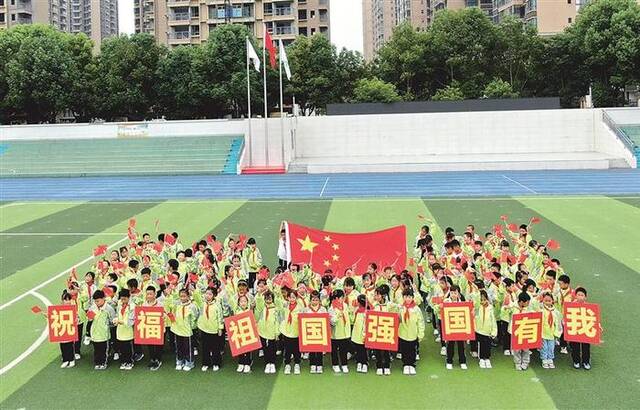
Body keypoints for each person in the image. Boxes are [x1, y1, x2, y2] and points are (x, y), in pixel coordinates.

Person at [503, 291, 533, 370]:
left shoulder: (528, 309)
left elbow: (534, 315)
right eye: (527, 302)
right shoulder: (513, 306)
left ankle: (525, 362)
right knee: (516, 349)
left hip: (525, 331)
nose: (528, 303)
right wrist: (505, 307)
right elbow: (504, 312)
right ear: (522, 302)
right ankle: (517, 362)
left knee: (526, 349)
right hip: (515, 331)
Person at [197, 287, 224, 372]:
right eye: (206, 293)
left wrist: (220, 328)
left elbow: (220, 317)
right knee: (205, 347)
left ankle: (216, 363)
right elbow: (196, 296)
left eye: (210, 294)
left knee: (215, 348)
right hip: (204, 329)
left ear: (214, 295)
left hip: (214, 329)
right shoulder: (202, 303)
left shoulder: (217, 305)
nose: (207, 296)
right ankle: (206, 363)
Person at [398, 289, 424, 375]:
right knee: (404, 349)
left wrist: (421, 333)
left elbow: (420, 322)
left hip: (413, 333)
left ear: (412, 298)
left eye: (409, 297)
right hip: (403, 333)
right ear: (403, 298)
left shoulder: (416, 309)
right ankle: (405, 364)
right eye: (406, 297)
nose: (408, 299)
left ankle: (411, 364)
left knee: (412, 350)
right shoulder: (401, 308)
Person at [88, 289, 116, 370]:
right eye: (95, 301)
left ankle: (103, 362)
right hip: (94, 333)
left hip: (104, 334)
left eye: (98, 301)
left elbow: (112, 320)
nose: (96, 303)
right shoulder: (92, 307)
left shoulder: (109, 308)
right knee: (96, 350)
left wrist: (107, 325)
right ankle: (97, 362)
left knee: (104, 350)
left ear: (103, 298)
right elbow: (89, 319)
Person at [171, 288, 198, 371]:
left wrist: (192, 327)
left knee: (188, 348)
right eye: (181, 296)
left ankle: (189, 362)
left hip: (187, 330)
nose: (182, 298)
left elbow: (194, 317)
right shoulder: (177, 305)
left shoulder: (192, 306)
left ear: (188, 296)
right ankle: (179, 361)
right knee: (179, 347)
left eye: (184, 296)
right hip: (177, 329)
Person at [256, 290, 280, 374]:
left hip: (272, 331)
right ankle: (267, 363)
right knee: (265, 348)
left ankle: (272, 363)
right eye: (266, 298)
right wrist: (259, 294)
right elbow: (258, 304)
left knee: (272, 348)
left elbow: (277, 321)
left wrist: (277, 333)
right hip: (262, 331)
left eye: (270, 298)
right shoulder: (262, 308)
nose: (268, 300)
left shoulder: (275, 309)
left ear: (273, 299)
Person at [444, 285, 467, 370]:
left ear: (459, 294)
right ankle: (449, 361)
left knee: (461, 345)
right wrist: (440, 307)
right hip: (450, 327)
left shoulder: (463, 302)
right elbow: (438, 311)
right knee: (450, 344)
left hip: (460, 327)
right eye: (452, 292)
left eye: (455, 293)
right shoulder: (446, 301)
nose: (453, 294)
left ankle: (463, 361)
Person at [570, 287, 593, 370]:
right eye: (578, 295)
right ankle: (576, 361)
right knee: (575, 346)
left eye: (582, 295)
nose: (580, 297)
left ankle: (586, 361)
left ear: (585, 297)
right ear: (575, 296)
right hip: (575, 328)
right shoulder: (571, 305)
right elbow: (567, 316)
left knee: (586, 346)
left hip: (585, 329)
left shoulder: (588, 307)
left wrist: (598, 325)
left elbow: (594, 318)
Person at [280, 289, 302, 375]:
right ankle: (287, 364)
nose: (292, 299)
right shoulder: (285, 306)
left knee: (297, 350)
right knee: (288, 349)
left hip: (296, 332)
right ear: (287, 298)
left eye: (293, 297)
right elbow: (278, 300)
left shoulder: (300, 308)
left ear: (296, 298)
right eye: (290, 297)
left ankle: (297, 364)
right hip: (287, 331)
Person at [141, 285, 164, 371]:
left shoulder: (160, 304)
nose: (149, 296)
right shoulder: (144, 304)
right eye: (147, 294)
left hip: (158, 328)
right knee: (150, 345)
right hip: (149, 328)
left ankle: (158, 359)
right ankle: (152, 359)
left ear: (155, 294)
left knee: (158, 345)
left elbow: (164, 315)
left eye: (151, 294)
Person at [329, 289, 351, 373]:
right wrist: (338, 315)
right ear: (336, 298)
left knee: (343, 350)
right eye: (341, 297)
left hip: (344, 333)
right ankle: (335, 365)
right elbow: (332, 322)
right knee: (334, 350)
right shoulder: (331, 308)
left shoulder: (345, 305)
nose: (343, 299)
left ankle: (344, 364)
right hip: (335, 334)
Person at [304, 291, 327, 374]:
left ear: (319, 301)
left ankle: (320, 365)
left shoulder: (323, 309)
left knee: (319, 349)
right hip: (310, 332)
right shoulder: (306, 309)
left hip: (320, 332)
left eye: (316, 300)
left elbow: (326, 320)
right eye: (313, 300)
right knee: (312, 349)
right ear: (310, 300)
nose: (315, 302)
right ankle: (312, 364)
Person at [474, 289, 497, 369]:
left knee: (487, 345)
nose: (483, 301)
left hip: (488, 331)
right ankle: (481, 359)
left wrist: (494, 331)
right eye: (481, 300)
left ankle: (487, 358)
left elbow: (493, 320)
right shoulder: (477, 307)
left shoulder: (490, 308)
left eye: (484, 299)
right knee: (481, 345)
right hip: (479, 330)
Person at [113, 289, 135, 370]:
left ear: (129, 298)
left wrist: (120, 321)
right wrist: (115, 319)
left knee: (128, 348)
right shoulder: (119, 304)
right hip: (120, 330)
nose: (123, 301)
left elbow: (131, 320)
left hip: (128, 331)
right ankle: (123, 362)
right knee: (121, 348)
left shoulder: (132, 306)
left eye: (124, 299)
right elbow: (116, 314)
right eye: (121, 299)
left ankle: (129, 362)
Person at [540, 292, 562, 369]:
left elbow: (558, 323)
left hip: (552, 333)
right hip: (543, 333)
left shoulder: (555, 312)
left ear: (552, 301)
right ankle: (544, 359)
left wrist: (557, 333)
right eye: (545, 300)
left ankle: (550, 359)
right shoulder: (541, 310)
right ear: (543, 301)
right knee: (544, 347)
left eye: (549, 300)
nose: (547, 302)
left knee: (551, 347)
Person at [58, 291, 78, 369]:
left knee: (69, 346)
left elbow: (76, 318)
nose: (67, 301)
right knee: (63, 346)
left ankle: (71, 359)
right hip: (62, 330)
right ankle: (65, 360)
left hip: (69, 330)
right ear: (62, 301)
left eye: (69, 299)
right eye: (65, 300)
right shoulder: (58, 309)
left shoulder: (73, 308)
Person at [351, 294, 368, 373]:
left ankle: (364, 363)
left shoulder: (367, 311)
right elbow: (353, 319)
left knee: (363, 349)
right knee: (358, 348)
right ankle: (359, 362)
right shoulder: (357, 310)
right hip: (356, 332)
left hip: (364, 332)